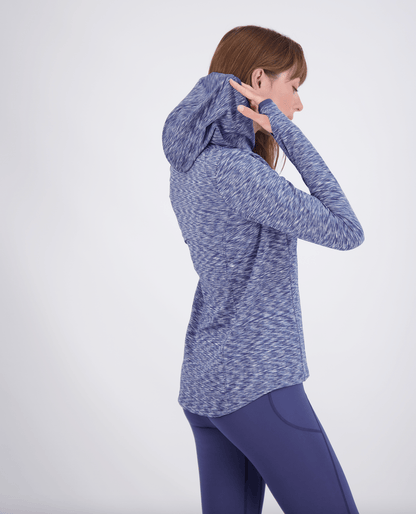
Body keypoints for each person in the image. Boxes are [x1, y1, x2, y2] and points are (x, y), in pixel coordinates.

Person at [162, 25, 364, 514]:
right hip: (257, 382)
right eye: (293, 86)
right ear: (259, 81)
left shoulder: (189, 164)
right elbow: (346, 229)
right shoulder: (236, 171)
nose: (299, 103)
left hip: (206, 384)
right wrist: (283, 129)